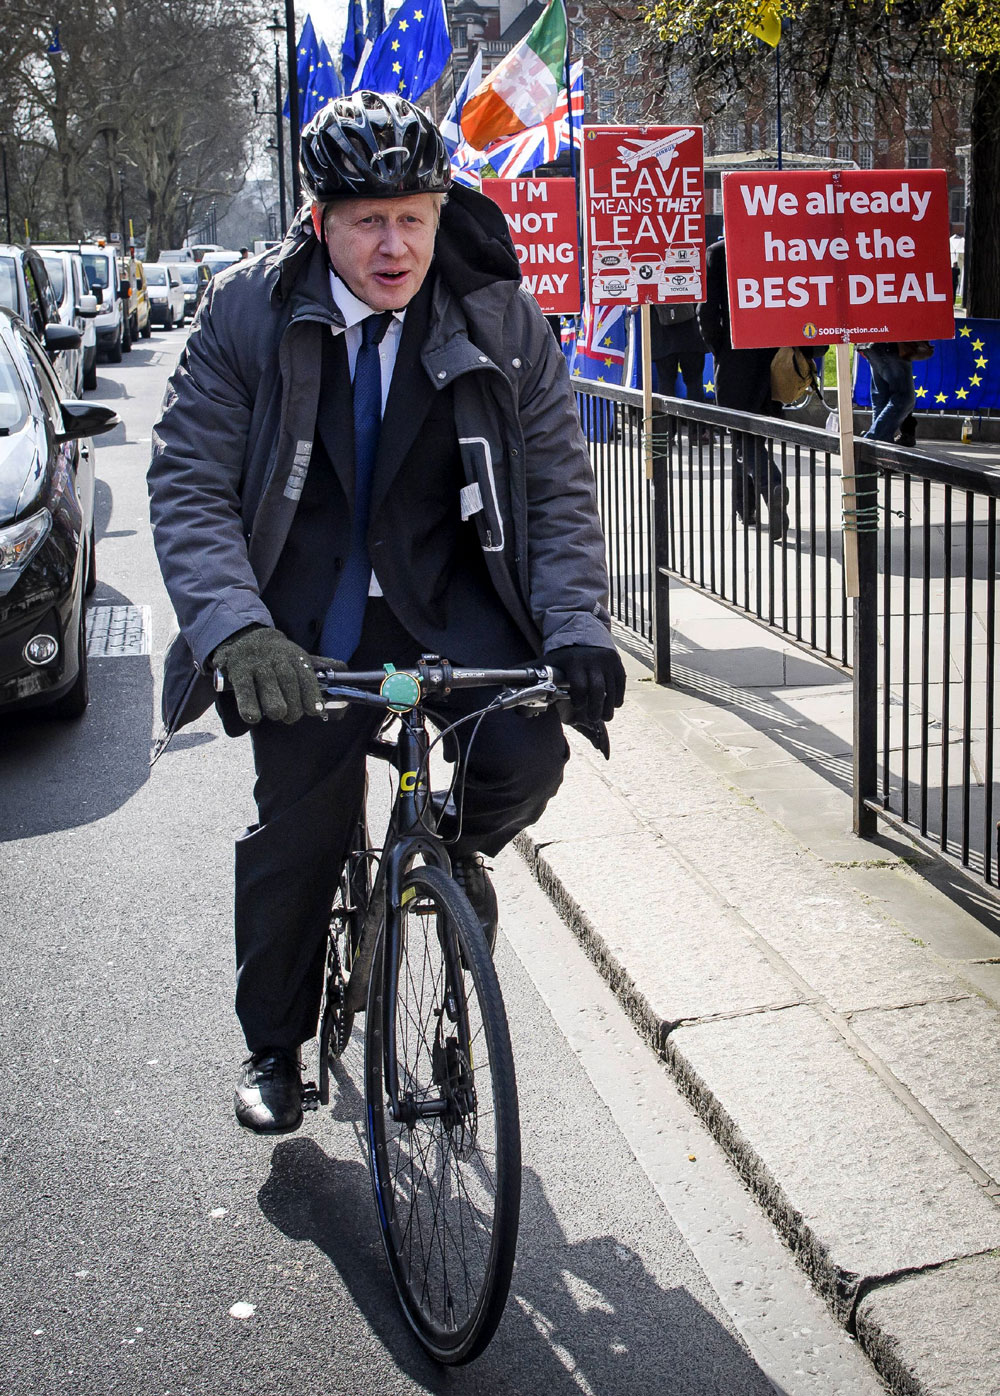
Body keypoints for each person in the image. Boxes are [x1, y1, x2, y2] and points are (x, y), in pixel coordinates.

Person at [147, 92, 625, 1135]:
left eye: (414, 215)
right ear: (319, 221)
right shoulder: (246, 313)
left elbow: (555, 483)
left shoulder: (498, 314)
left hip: (452, 597)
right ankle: (275, 1042)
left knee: (529, 751)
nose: (395, 243)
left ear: (441, 209)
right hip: (301, 617)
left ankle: (453, 857)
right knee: (300, 831)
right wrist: (234, 629)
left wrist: (577, 625)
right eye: (368, 220)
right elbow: (189, 482)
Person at [698, 237, 788, 540]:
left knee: (739, 434)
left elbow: (706, 313)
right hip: (772, 352)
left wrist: (719, 348)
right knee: (754, 431)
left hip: (735, 355)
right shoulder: (775, 243)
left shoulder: (720, 251)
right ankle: (745, 507)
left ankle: (770, 483)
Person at [650, 303, 710, 443]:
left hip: (661, 332)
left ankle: (665, 433)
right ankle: (697, 433)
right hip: (691, 332)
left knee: (665, 383)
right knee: (694, 383)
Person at [861, 342, 919, 445]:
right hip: (889, 342)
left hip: (871, 342)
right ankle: (873, 439)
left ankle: (877, 445)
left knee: (882, 398)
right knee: (905, 398)